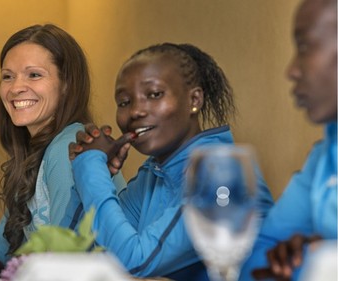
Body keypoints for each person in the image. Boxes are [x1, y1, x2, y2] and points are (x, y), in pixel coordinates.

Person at [62, 43, 274, 280]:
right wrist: (89, 176)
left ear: (194, 100)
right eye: (124, 102)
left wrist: (90, 167)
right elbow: (70, 253)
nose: (135, 112)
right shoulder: (152, 174)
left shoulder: (221, 174)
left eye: (154, 94)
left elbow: (135, 264)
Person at [0, 24, 126, 265]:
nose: (15, 88)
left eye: (34, 74)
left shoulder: (69, 145)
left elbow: (65, 256)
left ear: (67, 84)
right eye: (8, 76)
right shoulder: (36, 155)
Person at [239, 0, 337, 280]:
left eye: (304, 46)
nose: (291, 70)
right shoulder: (325, 155)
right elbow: (257, 257)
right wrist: (312, 258)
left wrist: (314, 259)